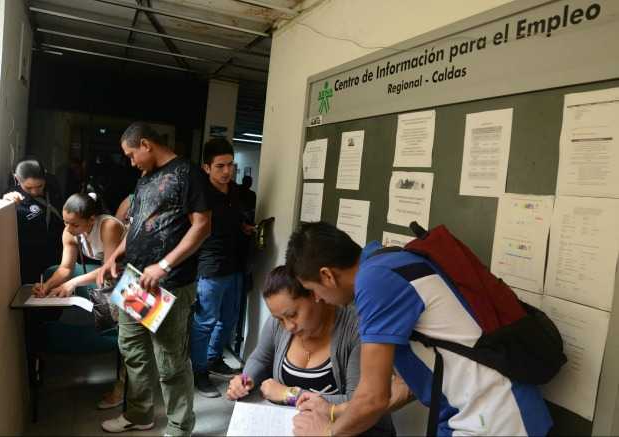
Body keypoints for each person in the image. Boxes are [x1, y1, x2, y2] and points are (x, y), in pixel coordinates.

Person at [286, 221, 553, 437]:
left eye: (312, 290)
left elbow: (373, 399)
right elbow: (405, 386)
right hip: (481, 415)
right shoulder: (387, 262)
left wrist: (326, 433)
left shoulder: (375, 281)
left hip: (495, 420)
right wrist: (335, 411)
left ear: (327, 275)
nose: (318, 299)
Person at [97, 122, 211, 436]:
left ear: (146, 144)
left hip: (168, 283)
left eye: (132, 155)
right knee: (130, 347)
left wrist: (164, 264)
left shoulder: (188, 174)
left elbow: (202, 226)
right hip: (135, 279)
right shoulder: (145, 178)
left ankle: (179, 426)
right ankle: (139, 413)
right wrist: (114, 256)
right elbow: (136, 225)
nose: (131, 162)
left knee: (170, 360)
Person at [226, 266, 410, 435]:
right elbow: (260, 358)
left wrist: (289, 394)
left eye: (292, 315)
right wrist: (246, 379)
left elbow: (357, 402)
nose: (288, 326)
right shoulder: (279, 322)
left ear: (316, 296)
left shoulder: (357, 329)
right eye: (279, 319)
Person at [32, 192, 127, 409]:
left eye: (74, 224)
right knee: (128, 340)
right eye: (66, 222)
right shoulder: (70, 232)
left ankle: (125, 392)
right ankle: (127, 390)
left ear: (91, 219)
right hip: (114, 281)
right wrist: (47, 286)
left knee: (133, 342)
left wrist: (73, 283)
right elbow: (65, 268)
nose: (68, 228)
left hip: (134, 280)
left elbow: (109, 269)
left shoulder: (108, 226)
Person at [190, 138, 253, 397]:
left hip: (236, 264)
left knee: (228, 319)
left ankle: (214, 358)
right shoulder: (200, 194)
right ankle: (199, 372)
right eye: (220, 166)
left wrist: (244, 228)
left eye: (230, 165)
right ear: (206, 167)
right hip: (211, 267)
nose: (227, 171)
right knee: (205, 322)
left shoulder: (235, 192)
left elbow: (233, 221)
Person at [2, 158, 64, 284]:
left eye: (39, 186)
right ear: (17, 179)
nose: (35, 191)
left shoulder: (53, 188)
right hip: (28, 260)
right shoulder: (12, 197)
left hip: (56, 254)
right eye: (29, 187)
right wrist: (6, 204)